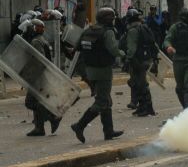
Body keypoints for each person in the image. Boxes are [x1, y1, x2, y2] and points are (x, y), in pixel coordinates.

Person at [70, 7, 124, 143]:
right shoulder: (108, 32)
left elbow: (77, 48)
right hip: (104, 71)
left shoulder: (88, 30)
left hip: (90, 71)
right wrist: (125, 54)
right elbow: (113, 49)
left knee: (106, 100)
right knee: (102, 102)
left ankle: (109, 131)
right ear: (109, 19)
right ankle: (79, 125)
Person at [24, 19, 62, 136]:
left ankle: (52, 117)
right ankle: (39, 128)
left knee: (30, 102)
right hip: (42, 76)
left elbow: (40, 61)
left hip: (39, 77)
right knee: (37, 100)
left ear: (34, 28)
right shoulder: (42, 40)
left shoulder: (36, 41)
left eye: (31, 27)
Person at [125, 8, 156, 116]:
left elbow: (131, 48)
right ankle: (143, 107)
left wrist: (128, 59)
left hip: (137, 61)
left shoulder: (133, 30)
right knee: (138, 83)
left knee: (140, 84)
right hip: (146, 59)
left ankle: (148, 107)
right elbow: (153, 43)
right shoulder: (144, 27)